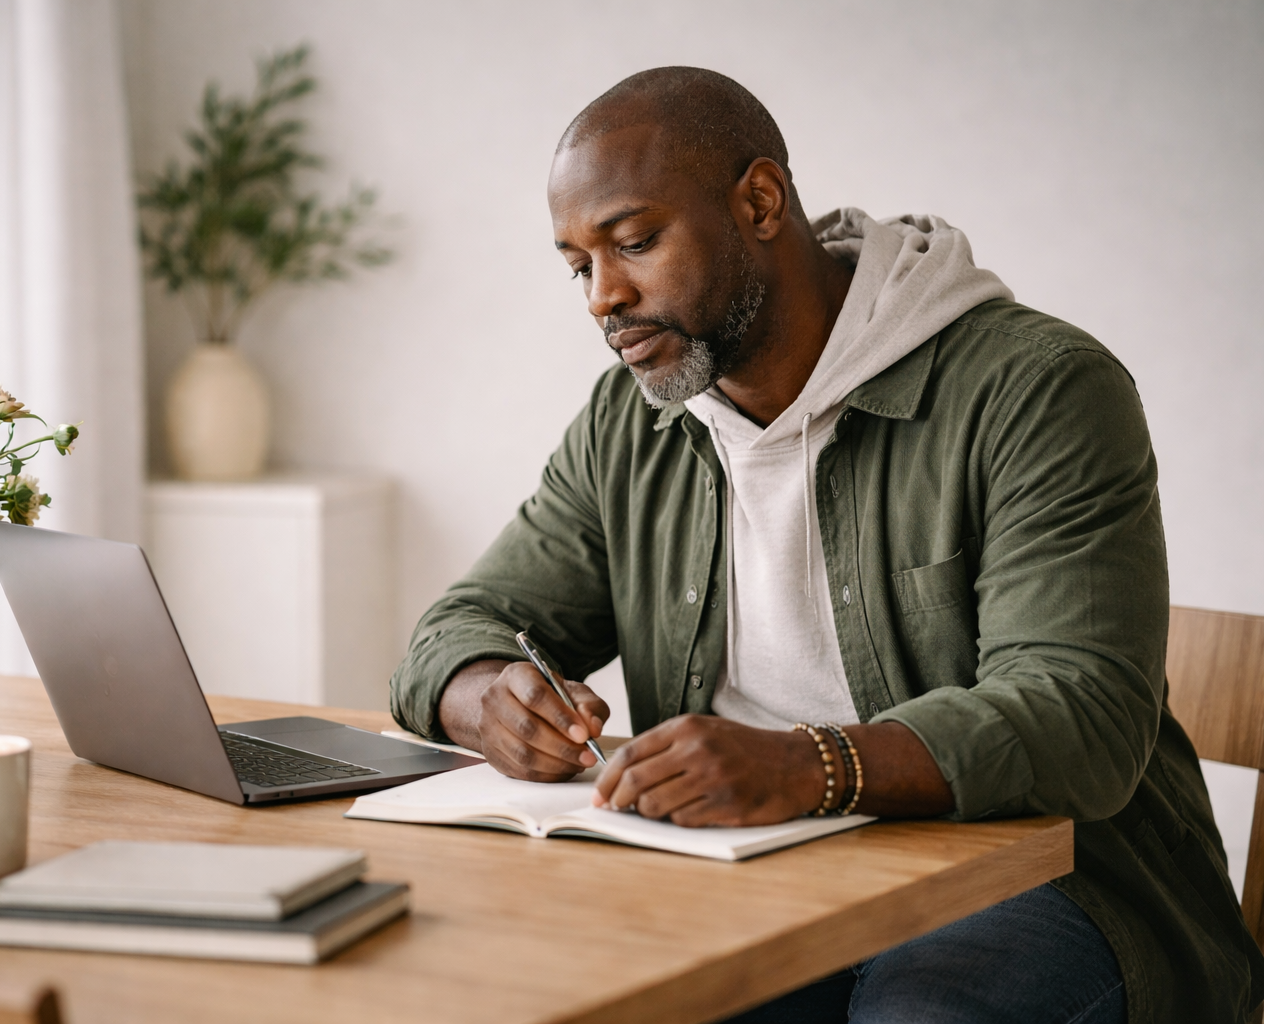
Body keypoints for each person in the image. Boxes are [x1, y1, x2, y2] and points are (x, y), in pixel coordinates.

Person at [389, 67, 1262, 1022]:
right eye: (577, 266)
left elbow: (1080, 715)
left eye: (633, 243)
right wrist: (487, 701)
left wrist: (808, 765)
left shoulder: (1036, 390)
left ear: (759, 201)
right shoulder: (632, 420)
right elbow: (461, 628)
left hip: (1045, 888)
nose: (603, 297)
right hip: (740, 877)